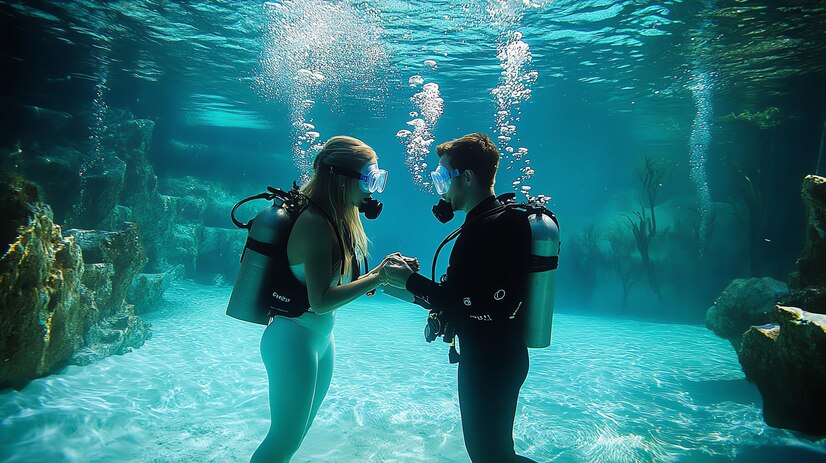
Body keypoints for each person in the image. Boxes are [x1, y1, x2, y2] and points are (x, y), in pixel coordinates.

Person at [383, 133, 538, 463]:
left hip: (490, 358)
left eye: (443, 177)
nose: (441, 188)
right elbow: (465, 297)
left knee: (491, 456)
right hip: (496, 353)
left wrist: (408, 280)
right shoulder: (491, 221)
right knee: (492, 454)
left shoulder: (485, 229)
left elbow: (468, 303)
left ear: (466, 177)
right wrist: (408, 285)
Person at [251, 136, 407, 463]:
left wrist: (377, 273)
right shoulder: (314, 223)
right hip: (292, 339)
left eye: (376, 179)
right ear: (340, 178)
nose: (371, 190)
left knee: (294, 438)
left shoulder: (335, 219)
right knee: (282, 440)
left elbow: (328, 292)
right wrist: (377, 276)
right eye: (368, 179)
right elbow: (320, 301)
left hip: (319, 338)